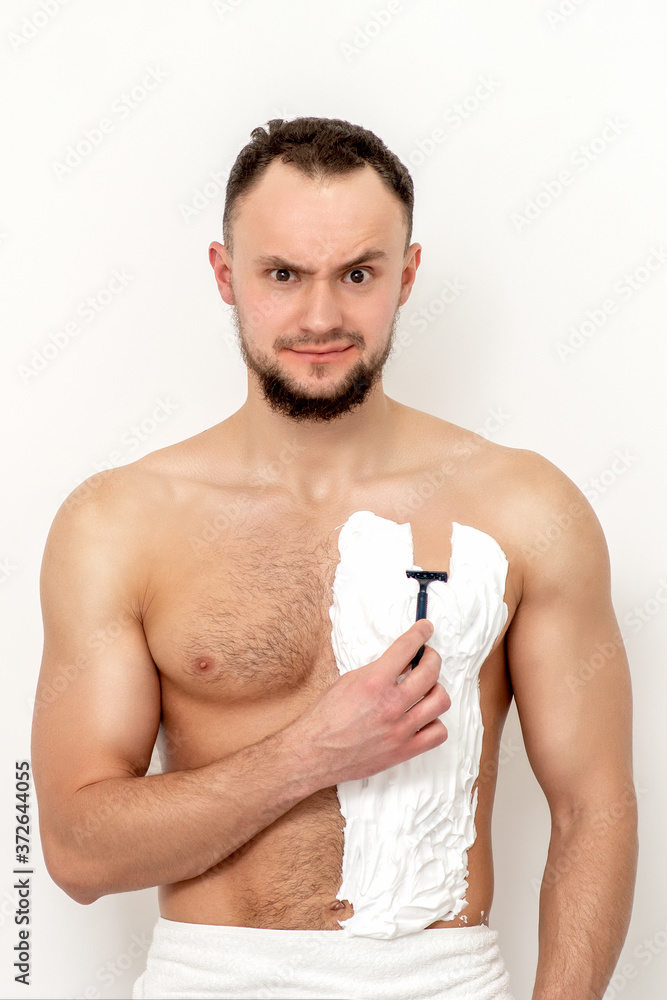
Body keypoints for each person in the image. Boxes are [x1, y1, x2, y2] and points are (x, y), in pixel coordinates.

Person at [32, 117, 637, 1000]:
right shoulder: (119, 523)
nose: (320, 317)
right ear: (225, 274)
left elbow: (594, 809)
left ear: (407, 275)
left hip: (442, 980)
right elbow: (76, 853)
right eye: (282, 274)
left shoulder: (523, 508)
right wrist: (309, 754)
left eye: (357, 274)